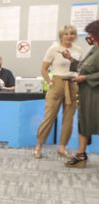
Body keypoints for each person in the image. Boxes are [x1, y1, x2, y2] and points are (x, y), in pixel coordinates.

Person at [33, 25, 83, 159]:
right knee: (49, 116)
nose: (69, 36)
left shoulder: (78, 50)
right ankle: (38, 146)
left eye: (72, 34)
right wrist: (49, 82)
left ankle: (62, 147)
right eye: (66, 34)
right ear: (61, 35)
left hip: (72, 84)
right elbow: (43, 69)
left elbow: (80, 68)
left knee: (68, 118)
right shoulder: (54, 49)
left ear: (75, 36)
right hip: (57, 83)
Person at [62, 20, 99, 168]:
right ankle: (81, 155)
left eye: (91, 33)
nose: (88, 36)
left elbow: (89, 73)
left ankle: (81, 155)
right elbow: (84, 66)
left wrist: (86, 78)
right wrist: (70, 59)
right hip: (87, 93)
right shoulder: (95, 49)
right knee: (84, 122)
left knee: (93, 122)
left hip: (95, 94)